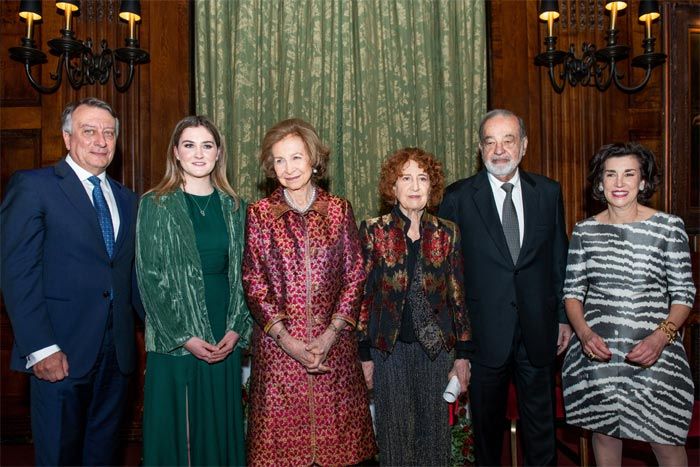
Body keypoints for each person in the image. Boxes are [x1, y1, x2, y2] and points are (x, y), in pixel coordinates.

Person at [0, 98, 141, 465]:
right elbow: (17, 272)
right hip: (58, 354)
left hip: (117, 357)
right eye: (89, 131)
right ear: (67, 137)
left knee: (103, 456)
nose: (100, 140)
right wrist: (40, 348)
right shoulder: (34, 187)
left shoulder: (129, 200)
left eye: (108, 133)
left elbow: (132, 278)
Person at [439, 109, 571, 466]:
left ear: (523, 145)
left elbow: (559, 258)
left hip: (538, 330)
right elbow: (448, 276)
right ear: (480, 149)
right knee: (486, 435)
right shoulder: (457, 198)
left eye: (508, 140)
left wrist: (563, 317)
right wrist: (458, 340)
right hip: (483, 335)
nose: (499, 150)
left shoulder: (548, 192)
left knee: (542, 432)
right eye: (490, 141)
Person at [243, 118, 376, 466]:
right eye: (279, 160)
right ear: (271, 167)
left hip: (334, 354)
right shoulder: (259, 214)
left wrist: (330, 335)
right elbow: (254, 281)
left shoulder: (339, 210)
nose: (289, 168)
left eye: (297, 158)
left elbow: (355, 275)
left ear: (314, 160)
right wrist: (289, 341)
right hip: (279, 356)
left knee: (339, 454)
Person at [561, 142, 696, 466]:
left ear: (644, 182)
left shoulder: (668, 227)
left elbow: (684, 295)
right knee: (605, 435)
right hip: (599, 354)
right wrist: (583, 334)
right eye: (611, 175)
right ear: (599, 182)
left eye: (629, 174)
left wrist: (660, 337)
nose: (619, 183)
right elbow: (572, 293)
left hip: (655, 354)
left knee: (665, 440)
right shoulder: (584, 231)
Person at [136, 115, 251, 465]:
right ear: (176, 153)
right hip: (175, 335)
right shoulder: (155, 204)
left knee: (219, 427)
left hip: (223, 329)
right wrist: (184, 335)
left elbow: (246, 274)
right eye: (189, 145)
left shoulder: (235, 207)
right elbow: (148, 277)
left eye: (207, 145)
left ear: (218, 154)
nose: (198, 153)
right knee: (180, 431)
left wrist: (236, 329)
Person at [357, 147, 472, 466]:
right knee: (394, 439)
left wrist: (463, 356)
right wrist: (364, 354)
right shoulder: (373, 230)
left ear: (432, 187)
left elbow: (458, 296)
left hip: (435, 351)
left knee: (434, 438)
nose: (414, 186)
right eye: (405, 178)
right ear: (391, 187)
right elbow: (362, 296)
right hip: (387, 351)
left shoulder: (447, 232)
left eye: (422, 178)